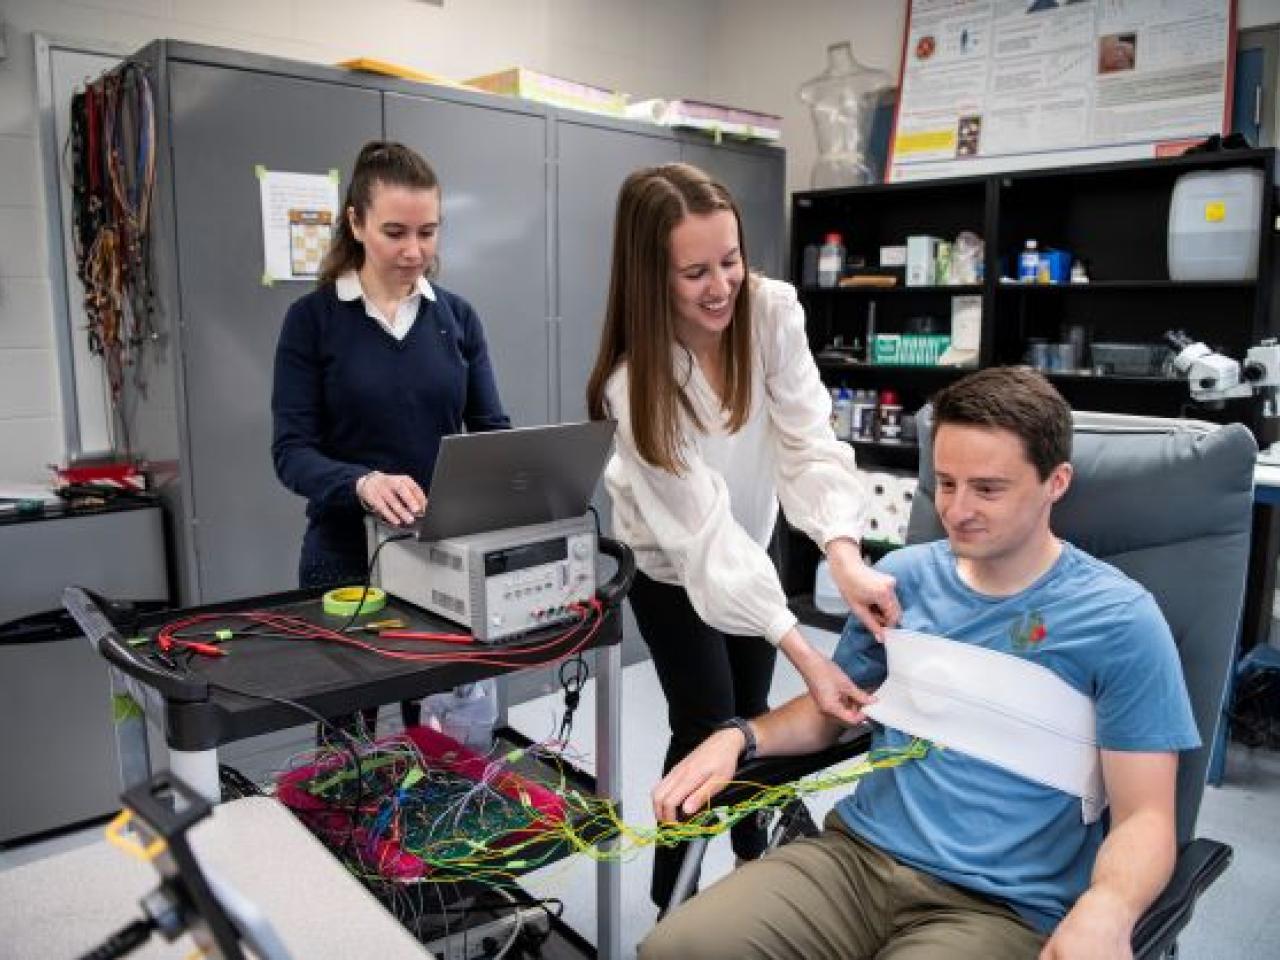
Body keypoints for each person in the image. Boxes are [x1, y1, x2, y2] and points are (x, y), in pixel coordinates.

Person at [642, 367, 1200, 960]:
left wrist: (1110, 907)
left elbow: (1145, 816)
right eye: (947, 484)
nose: (958, 510)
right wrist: (740, 736)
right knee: (675, 948)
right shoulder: (900, 581)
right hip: (856, 862)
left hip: (998, 907)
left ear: (1055, 482)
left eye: (987, 489)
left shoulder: (1119, 621)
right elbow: (836, 710)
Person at [584, 162, 901, 909]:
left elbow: (808, 442)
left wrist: (844, 556)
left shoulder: (773, 311)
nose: (721, 285)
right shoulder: (633, 387)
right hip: (669, 562)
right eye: (694, 272)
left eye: (730, 260)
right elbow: (704, 541)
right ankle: (675, 906)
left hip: (748, 542)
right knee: (706, 723)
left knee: (752, 722)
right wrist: (805, 651)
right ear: (650, 276)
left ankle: (749, 858)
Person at [272, 141, 510, 729]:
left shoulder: (457, 318)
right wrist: (361, 482)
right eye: (395, 232)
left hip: (440, 559)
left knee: (436, 741)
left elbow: (490, 431)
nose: (414, 251)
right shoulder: (313, 321)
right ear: (355, 222)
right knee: (347, 746)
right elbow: (291, 453)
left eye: (428, 233)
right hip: (344, 563)